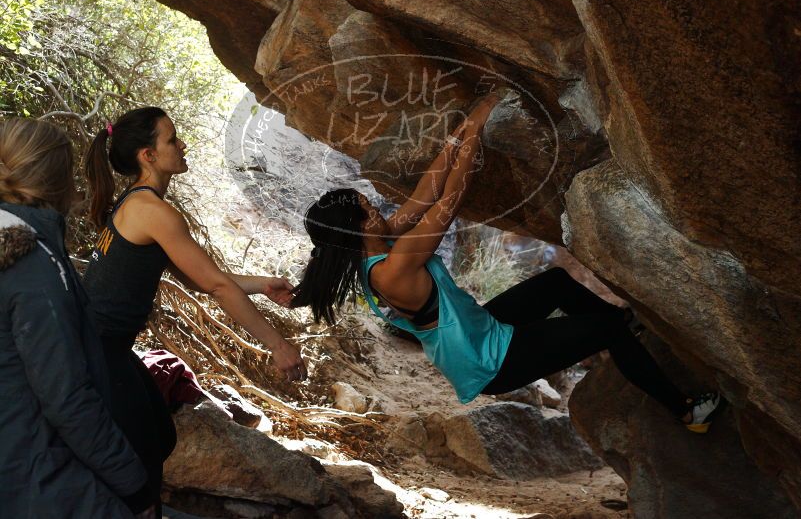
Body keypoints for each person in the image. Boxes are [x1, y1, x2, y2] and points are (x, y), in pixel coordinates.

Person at [291, 93, 721, 433]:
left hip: (479, 331)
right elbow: (448, 201)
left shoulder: (379, 243)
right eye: (370, 209)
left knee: (555, 283)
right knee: (610, 329)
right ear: (358, 228)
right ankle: (685, 411)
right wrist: (476, 134)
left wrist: (461, 131)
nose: (380, 211)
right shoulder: (392, 268)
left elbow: (425, 192)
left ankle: (618, 328)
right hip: (492, 362)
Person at [82, 107, 307, 515]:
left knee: (159, 435)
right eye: (172, 139)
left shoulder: (137, 203)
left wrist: (261, 285)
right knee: (141, 456)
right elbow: (216, 286)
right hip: (99, 351)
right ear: (147, 156)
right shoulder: (154, 211)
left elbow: (200, 277)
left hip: (104, 347)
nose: (182, 144)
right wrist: (277, 344)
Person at [0, 118, 155, 518]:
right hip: (34, 474)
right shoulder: (31, 263)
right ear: (60, 180)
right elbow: (66, 397)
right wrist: (134, 487)